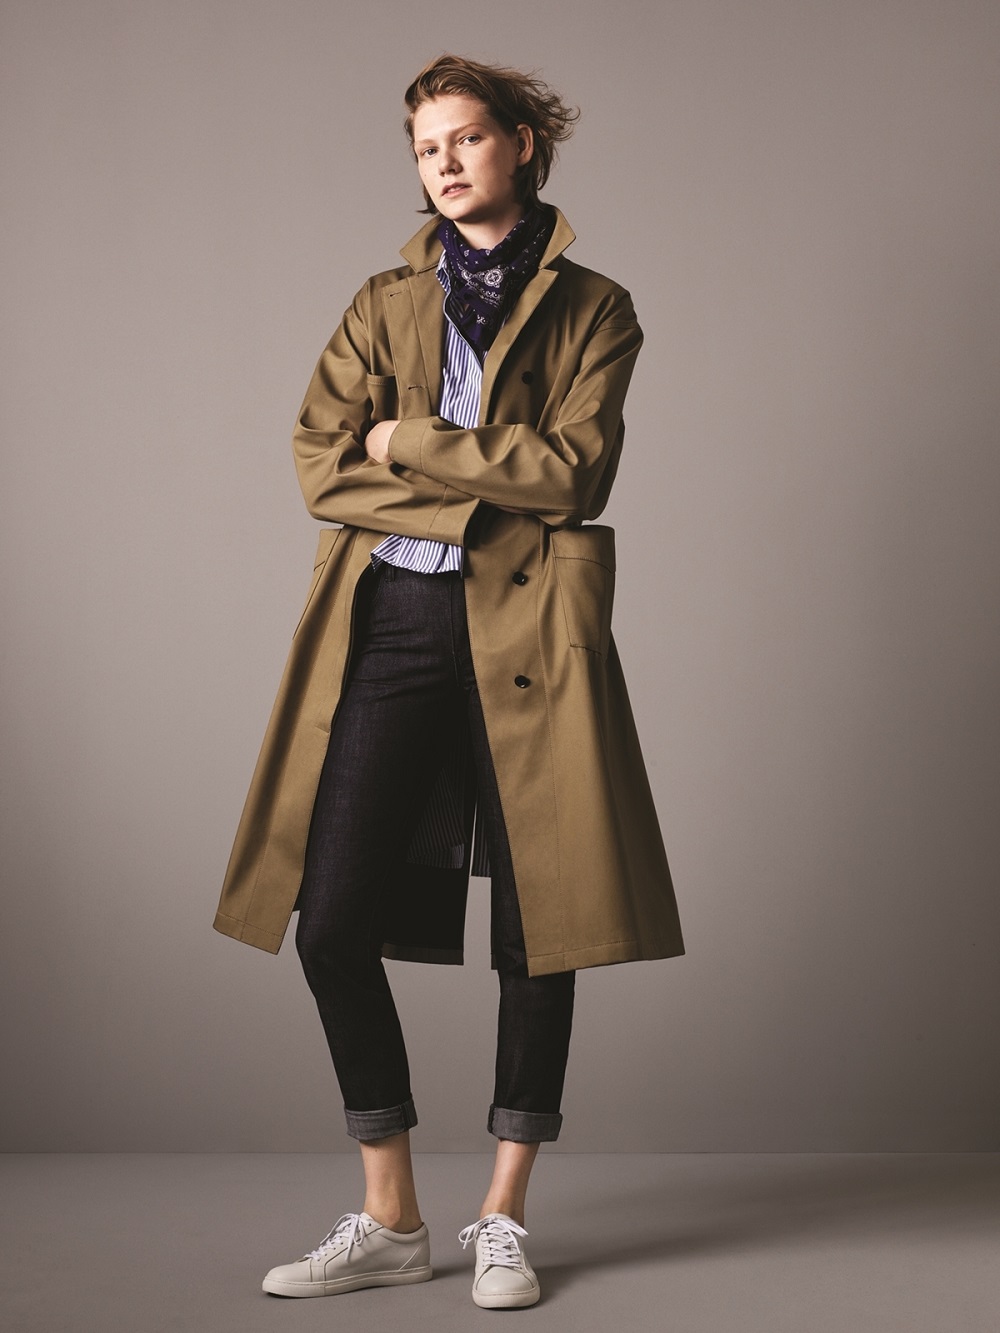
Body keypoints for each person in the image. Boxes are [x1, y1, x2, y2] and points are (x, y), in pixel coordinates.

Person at [213, 53, 684, 1310]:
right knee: (330, 918)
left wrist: (407, 439)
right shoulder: (382, 303)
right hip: (394, 621)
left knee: (544, 924)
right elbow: (321, 464)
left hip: (531, 628)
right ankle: (391, 1215)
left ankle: (503, 1215)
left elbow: (572, 475)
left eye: (466, 139)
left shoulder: (597, 307)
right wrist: (474, 491)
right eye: (427, 149)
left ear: (521, 142)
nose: (445, 163)